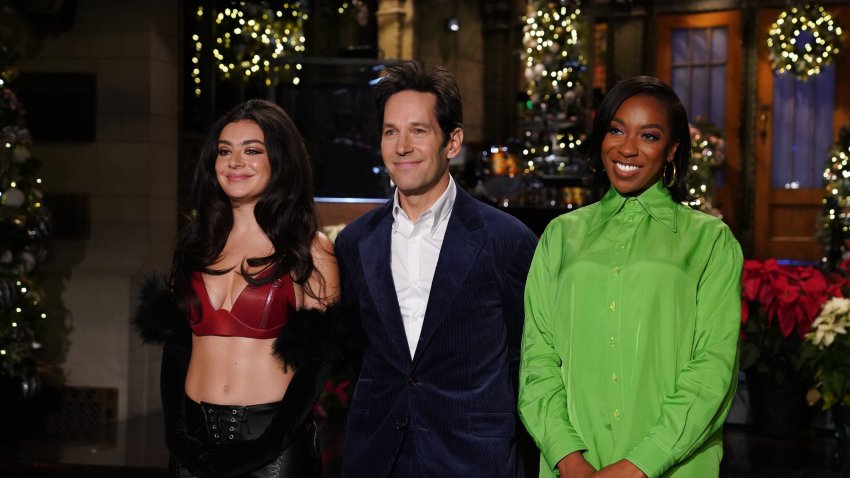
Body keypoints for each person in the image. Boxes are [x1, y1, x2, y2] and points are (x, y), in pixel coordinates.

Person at [518, 76, 743, 478]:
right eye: (616, 129)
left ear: (672, 150)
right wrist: (567, 457)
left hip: (675, 468)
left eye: (649, 136)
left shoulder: (710, 242)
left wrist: (639, 464)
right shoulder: (560, 236)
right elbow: (538, 359)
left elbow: (714, 369)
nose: (626, 147)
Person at [335, 61, 538, 477]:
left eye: (418, 130)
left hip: (474, 461)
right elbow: (356, 353)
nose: (402, 146)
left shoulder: (506, 240)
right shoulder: (355, 242)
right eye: (391, 131)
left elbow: (528, 360)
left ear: (452, 141)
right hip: (377, 458)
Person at [133, 99, 340, 478]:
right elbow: (177, 348)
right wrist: (176, 434)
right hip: (194, 443)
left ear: (280, 160)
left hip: (273, 448)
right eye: (224, 151)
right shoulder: (197, 244)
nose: (235, 162)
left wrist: (269, 443)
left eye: (252, 151)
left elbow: (317, 363)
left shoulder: (308, 248)